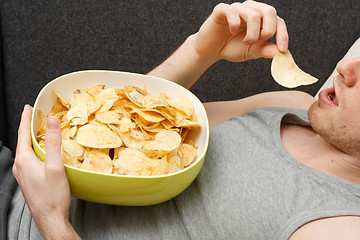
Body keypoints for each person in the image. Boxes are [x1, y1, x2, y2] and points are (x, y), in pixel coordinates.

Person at [9, 1, 360, 239]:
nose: (344, 66)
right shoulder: (292, 104)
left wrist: (52, 221)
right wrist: (200, 52)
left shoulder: (336, 227)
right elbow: (144, 124)